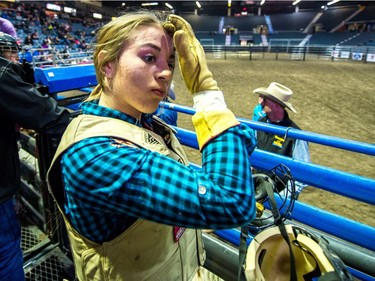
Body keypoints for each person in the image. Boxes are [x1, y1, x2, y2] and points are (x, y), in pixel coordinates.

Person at [47, 12, 257, 280]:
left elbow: (244, 138)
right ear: (107, 64)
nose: (167, 72)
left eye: (170, 62)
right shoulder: (95, 154)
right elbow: (230, 202)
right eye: (149, 58)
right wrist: (206, 90)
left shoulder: (142, 123)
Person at [0, 32, 70, 280]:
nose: (16, 59)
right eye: (12, 54)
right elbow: (46, 113)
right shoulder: (3, 75)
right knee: (6, 253)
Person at [252, 82, 310, 196]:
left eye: (266, 99)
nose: (261, 102)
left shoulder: (296, 136)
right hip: (256, 191)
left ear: (276, 105)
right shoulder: (259, 124)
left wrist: (281, 198)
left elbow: (302, 173)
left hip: (278, 198)